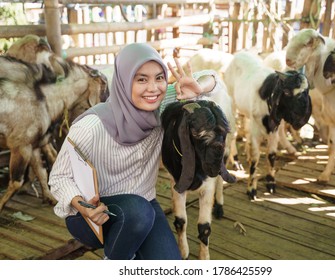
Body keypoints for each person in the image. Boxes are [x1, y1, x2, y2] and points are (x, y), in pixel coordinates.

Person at [48, 43, 220, 260]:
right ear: (123, 81)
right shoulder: (91, 126)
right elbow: (59, 178)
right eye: (141, 79)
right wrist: (83, 206)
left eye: (159, 78)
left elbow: (214, 78)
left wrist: (199, 88)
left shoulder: (162, 107)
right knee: (138, 212)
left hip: (144, 205)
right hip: (93, 213)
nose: (153, 88)